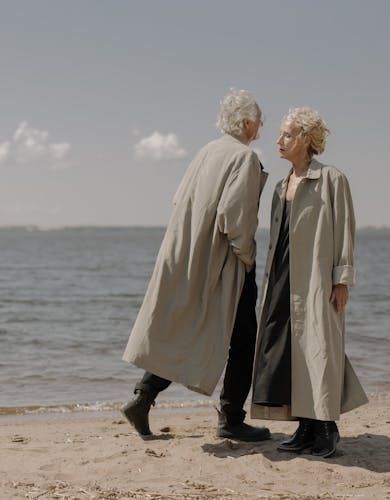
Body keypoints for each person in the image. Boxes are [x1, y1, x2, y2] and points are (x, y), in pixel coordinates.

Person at [121, 88, 270, 441]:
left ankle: (143, 398)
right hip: (223, 261)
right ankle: (232, 418)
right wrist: (247, 258)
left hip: (188, 252)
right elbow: (234, 219)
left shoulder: (206, 151)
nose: (262, 125)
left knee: (185, 328)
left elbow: (180, 199)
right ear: (247, 122)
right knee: (244, 340)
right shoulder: (244, 158)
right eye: (260, 119)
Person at [250, 107, 368, 458]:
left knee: (320, 350)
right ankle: (304, 426)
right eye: (281, 134)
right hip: (281, 277)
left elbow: (345, 229)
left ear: (305, 138)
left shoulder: (332, 179)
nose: (279, 140)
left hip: (316, 278)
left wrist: (342, 278)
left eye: (286, 134)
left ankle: (326, 428)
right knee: (288, 350)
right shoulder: (279, 185)